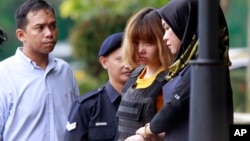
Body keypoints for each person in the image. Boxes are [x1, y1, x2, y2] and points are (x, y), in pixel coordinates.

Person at [127, 0, 233, 141]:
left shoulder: (203, 67)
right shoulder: (187, 65)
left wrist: (147, 130)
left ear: (185, 25)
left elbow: (175, 105)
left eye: (168, 28)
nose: (164, 37)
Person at [0, 0, 79, 141]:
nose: (49, 33)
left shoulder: (65, 71)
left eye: (53, 26)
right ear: (21, 35)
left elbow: (76, 122)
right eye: (40, 27)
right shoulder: (4, 74)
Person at [116, 7, 173, 141]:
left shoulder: (169, 81)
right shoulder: (135, 75)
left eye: (148, 43)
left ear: (163, 41)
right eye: (135, 42)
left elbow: (175, 131)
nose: (140, 50)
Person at [64, 32, 133, 141]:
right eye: (121, 60)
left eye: (133, 59)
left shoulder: (149, 101)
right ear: (104, 62)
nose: (129, 65)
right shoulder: (87, 107)